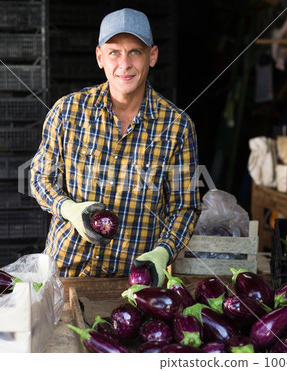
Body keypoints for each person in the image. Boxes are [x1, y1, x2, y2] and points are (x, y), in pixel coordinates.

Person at [30, 8, 201, 286]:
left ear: (152, 56)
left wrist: (163, 251)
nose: (125, 64)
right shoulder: (67, 112)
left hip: (132, 281)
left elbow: (185, 207)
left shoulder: (178, 126)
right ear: (100, 57)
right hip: (65, 272)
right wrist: (68, 209)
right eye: (114, 52)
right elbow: (40, 178)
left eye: (135, 51)